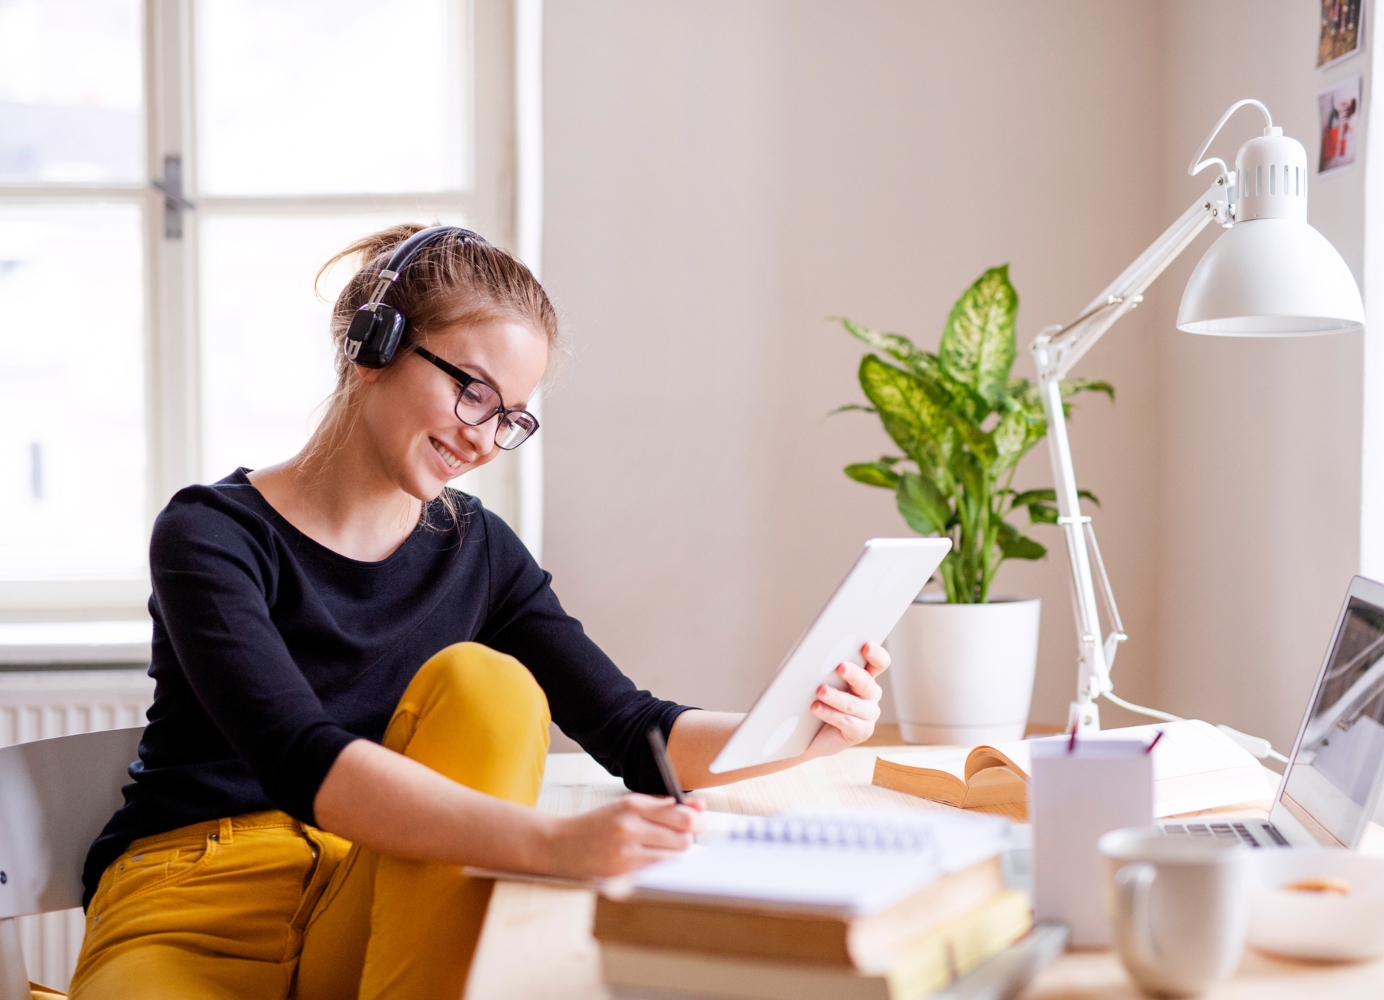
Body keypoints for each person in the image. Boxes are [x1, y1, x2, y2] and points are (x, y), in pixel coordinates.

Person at [66, 225, 891, 1000]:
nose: (485, 438)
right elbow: (296, 755)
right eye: (472, 391)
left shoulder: (479, 551)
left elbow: (636, 730)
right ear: (372, 346)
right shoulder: (211, 533)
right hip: (196, 896)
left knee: (486, 685)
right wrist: (552, 846)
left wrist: (799, 727)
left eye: (511, 416)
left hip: (375, 890)